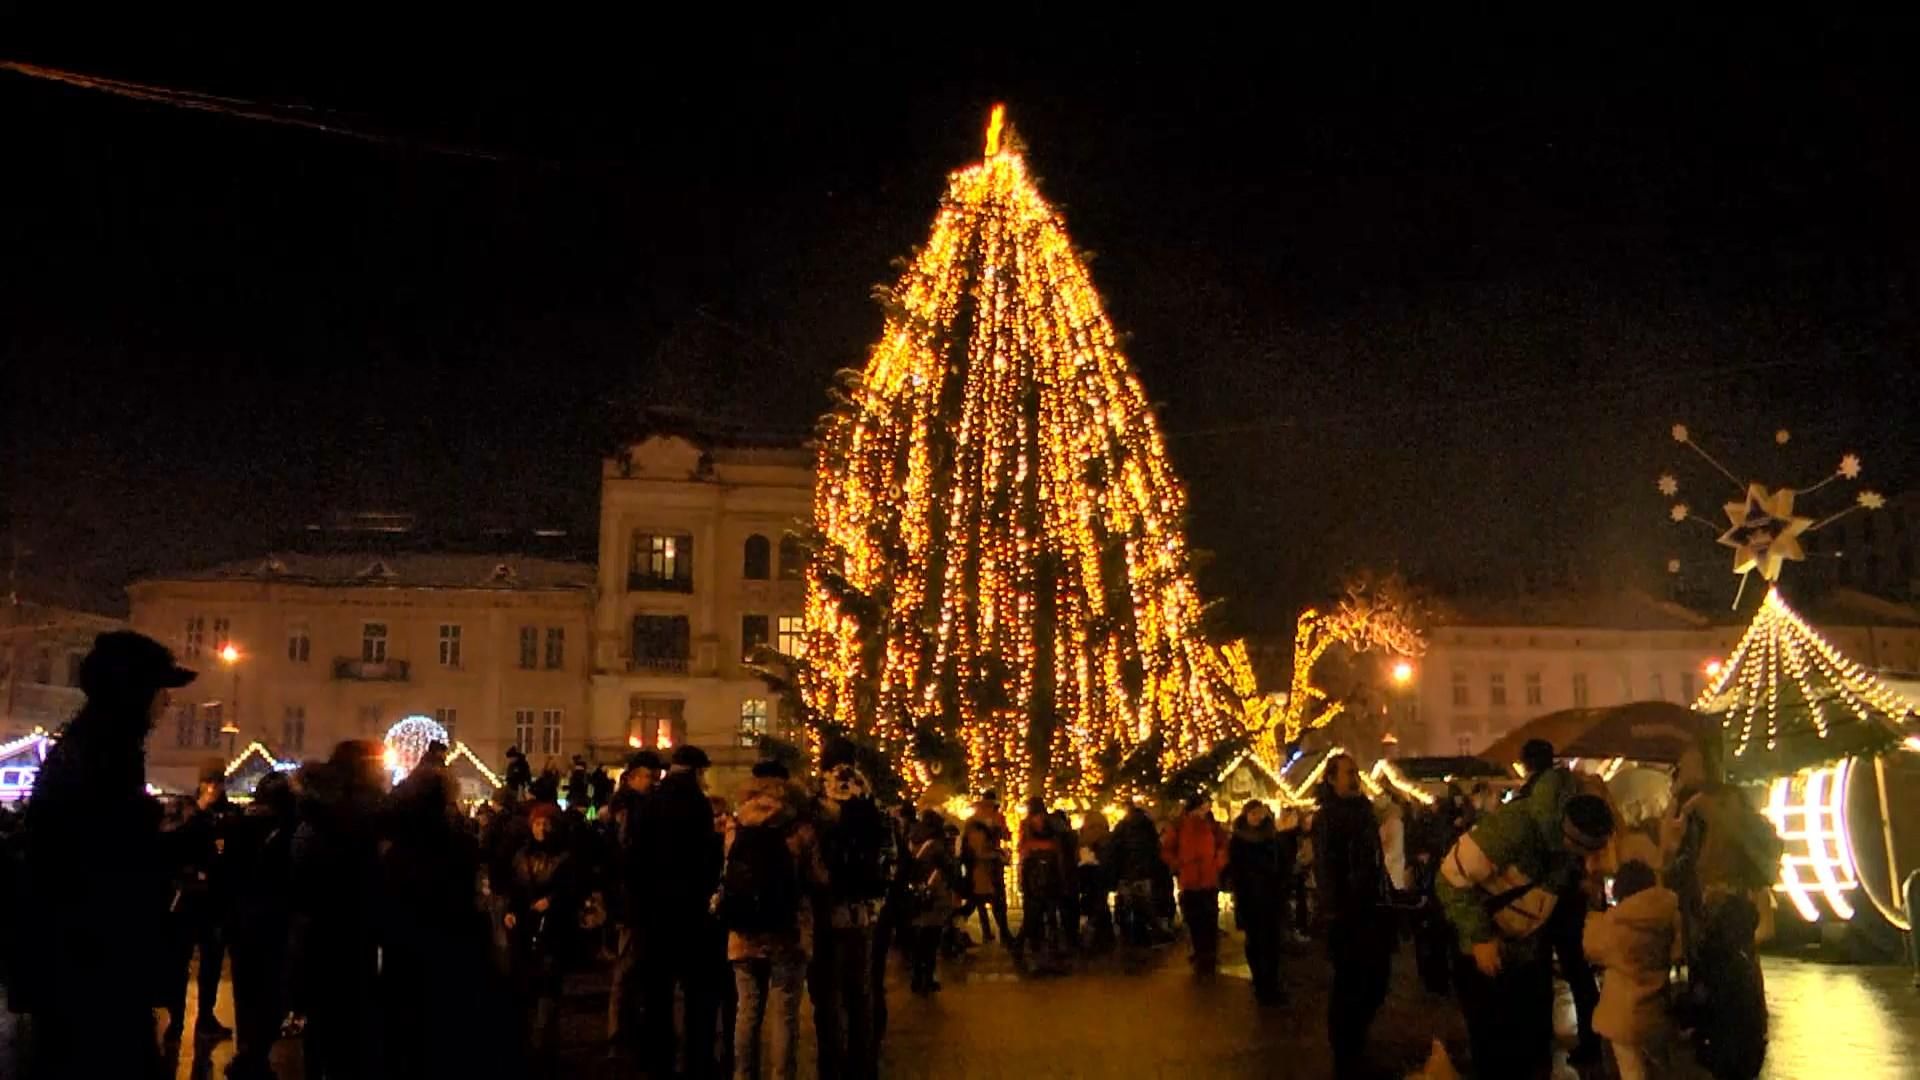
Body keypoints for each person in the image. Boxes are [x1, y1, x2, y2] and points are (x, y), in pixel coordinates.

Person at [23, 631, 191, 1076]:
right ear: (132, 691)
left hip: (82, 965)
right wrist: (174, 842)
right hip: (93, 968)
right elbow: (108, 863)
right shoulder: (103, 757)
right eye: (159, 689)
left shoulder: (94, 749)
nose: (167, 702)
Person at [1437, 765, 1615, 1080]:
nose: (1589, 864)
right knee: (1494, 1048)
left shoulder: (1564, 845)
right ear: (1570, 836)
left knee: (1527, 1048)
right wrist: (1480, 938)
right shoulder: (1515, 828)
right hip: (1482, 952)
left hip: (1524, 953)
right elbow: (1451, 878)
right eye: (1585, 853)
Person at [289, 741, 387, 1080]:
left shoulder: (316, 815)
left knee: (325, 1027)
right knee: (346, 1028)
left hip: (323, 934)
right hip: (345, 933)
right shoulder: (356, 817)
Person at [720, 761, 824, 1080]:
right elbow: (817, 877)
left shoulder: (736, 823)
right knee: (785, 1012)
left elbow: (728, 871)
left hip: (743, 929)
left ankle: (743, 1074)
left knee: (747, 1011)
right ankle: (782, 1075)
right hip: (787, 929)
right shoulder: (798, 825)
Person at [809, 744, 896, 1080]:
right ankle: (863, 1063)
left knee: (826, 992)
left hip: (825, 908)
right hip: (864, 910)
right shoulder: (870, 799)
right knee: (861, 990)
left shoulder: (815, 801)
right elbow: (889, 854)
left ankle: (830, 1063)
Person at [638, 744, 725, 1079]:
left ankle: (657, 1060)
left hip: (654, 910)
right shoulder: (697, 804)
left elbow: (634, 856)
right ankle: (696, 1060)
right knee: (697, 993)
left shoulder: (651, 801)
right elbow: (705, 858)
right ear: (697, 771)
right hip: (691, 911)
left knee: (657, 992)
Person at [1519, 745, 1602, 1065]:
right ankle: (1591, 1041)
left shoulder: (1534, 794)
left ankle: (1541, 1041)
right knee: (1577, 969)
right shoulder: (1573, 788)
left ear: (1527, 763)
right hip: (1573, 890)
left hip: (1545, 889)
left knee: (1539, 967)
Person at [1314, 754, 1393, 1078]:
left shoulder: (1364, 811)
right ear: (1332, 779)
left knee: (1375, 980)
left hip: (1371, 908)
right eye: (1349, 773)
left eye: (1356, 772)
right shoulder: (1328, 817)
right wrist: (1334, 911)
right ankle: (1346, 1053)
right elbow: (1326, 867)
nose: (1355, 778)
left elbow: (1374, 858)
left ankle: (1355, 1042)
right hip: (1348, 914)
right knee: (1350, 984)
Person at [225, 771, 298, 1080]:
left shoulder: (240, 825)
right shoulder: (287, 829)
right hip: (273, 920)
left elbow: (228, 871)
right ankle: (256, 1053)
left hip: (242, 918)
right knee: (271, 991)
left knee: (246, 990)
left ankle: (247, 1050)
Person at [1583, 860, 1680, 1080]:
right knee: (1658, 1068)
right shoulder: (1668, 916)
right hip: (1657, 1009)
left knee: (1632, 1071)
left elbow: (1589, 945)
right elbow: (1678, 953)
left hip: (1624, 1015)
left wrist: (1593, 907)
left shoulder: (1617, 924)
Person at [506, 801, 579, 1074]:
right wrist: (511, 911)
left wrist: (552, 901)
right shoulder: (521, 856)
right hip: (524, 931)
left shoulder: (565, 858)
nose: (541, 829)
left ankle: (544, 1048)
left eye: (546, 824)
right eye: (537, 824)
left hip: (552, 931)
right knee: (524, 989)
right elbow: (515, 889)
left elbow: (572, 891)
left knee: (548, 990)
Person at [606, 748, 662, 1052]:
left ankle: (624, 1027)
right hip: (633, 898)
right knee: (627, 964)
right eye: (649, 777)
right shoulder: (632, 808)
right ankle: (618, 1030)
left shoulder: (624, 806)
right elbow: (627, 853)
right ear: (634, 778)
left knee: (630, 963)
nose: (653, 782)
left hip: (629, 896)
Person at [1227, 798, 1288, 1004]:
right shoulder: (1238, 841)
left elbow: (1280, 865)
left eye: (1260, 813)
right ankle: (1260, 981)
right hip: (1249, 897)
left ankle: (1271, 982)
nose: (1257, 817)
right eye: (1253, 813)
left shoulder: (1271, 837)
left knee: (1271, 941)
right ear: (1246, 815)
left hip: (1271, 897)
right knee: (1254, 940)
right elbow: (1236, 872)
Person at [1163, 794, 1228, 974]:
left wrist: (1217, 863)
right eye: (1202, 807)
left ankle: (1210, 954)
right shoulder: (1179, 826)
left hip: (1208, 879)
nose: (1204, 811)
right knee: (1194, 920)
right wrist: (1179, 864)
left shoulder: (1213, 826)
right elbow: (1167, 850)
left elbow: (1223, 847)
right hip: (1190, 880)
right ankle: (1200, 953)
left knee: (1210, 919)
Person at [905, 808, 958, 993]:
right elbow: (948, 867)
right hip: (935, 893)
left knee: (920, 938)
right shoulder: (935, 845)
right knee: (931, 939)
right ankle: (926, 977)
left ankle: (916, 977)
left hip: (917, 893)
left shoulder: (912, 840)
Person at [1015, 798, 1068, 970]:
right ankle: (1043, 950)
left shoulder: (1028, 826)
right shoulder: (1052, 825)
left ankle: (1031, 949)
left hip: (1038, 875)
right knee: (1043, 915)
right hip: (1044, 875)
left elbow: (1023, 852)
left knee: (1036, 915)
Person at [958, 791, 1013, 946]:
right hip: (981, 870)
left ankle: (995, 933)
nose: (992, 809)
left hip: (989, 869)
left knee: (984, 901)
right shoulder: (975, 824)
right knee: (983, 901)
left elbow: (1005, 835)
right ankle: (956, 930)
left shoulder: (995, 820)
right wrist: (996, 855)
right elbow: (978, 850)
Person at [1108, 804, 1165, 947]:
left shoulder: (1121, 827)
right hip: (1143, 873)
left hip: (1126, 873)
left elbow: (1113, 850)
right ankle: (1144, 936)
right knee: (1144, 904)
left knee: (1127, 905)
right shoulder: (1147, 827)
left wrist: (1116, 874)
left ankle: (1128, 937)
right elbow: (1155, 850)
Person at [1076, 808, 1114, 950]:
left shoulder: (1084, 838)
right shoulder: (1107, 838)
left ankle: (1092, 937)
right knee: (1101, 904)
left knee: (1092, 906)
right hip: (1101, 874)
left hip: (1087, 874)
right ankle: (1105, 937)